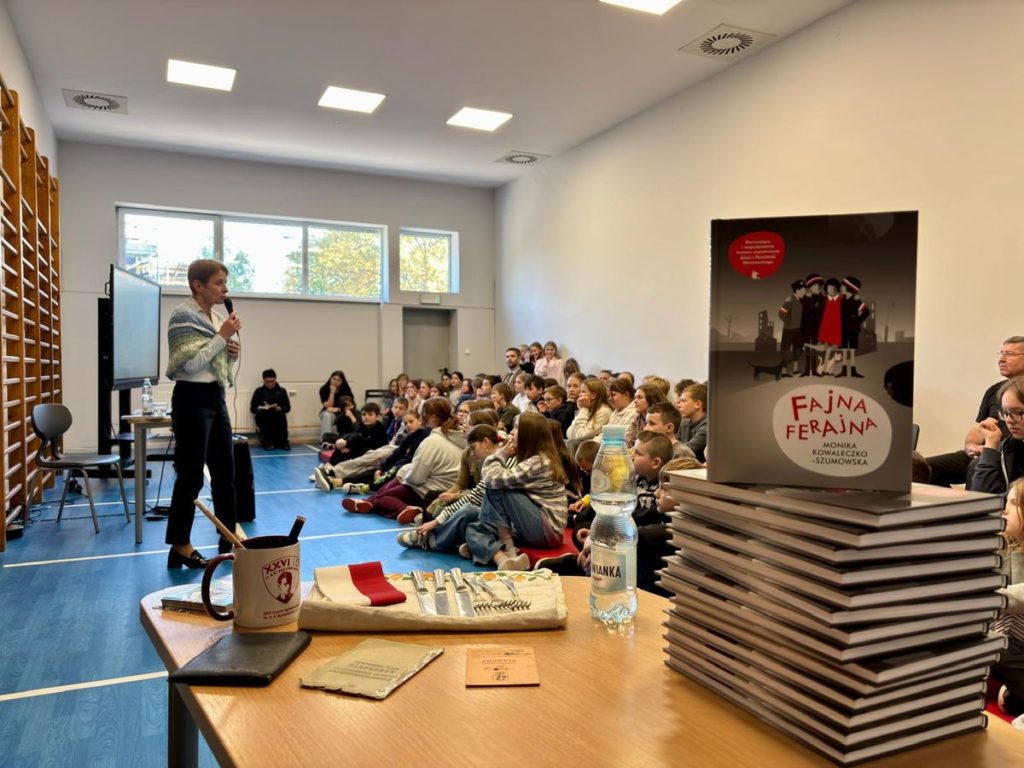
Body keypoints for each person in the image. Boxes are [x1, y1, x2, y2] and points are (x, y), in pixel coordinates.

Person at [164, 259, 240, 569]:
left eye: (225, 283)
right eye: (219, 283)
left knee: (225, 474)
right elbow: (190, 364)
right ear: (198, 285)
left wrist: (231, 353)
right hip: (191, 399)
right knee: (191, 474)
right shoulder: (183, 315)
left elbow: (216, 362)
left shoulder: (217, 317)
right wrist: (221, 337)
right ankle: (180, 545)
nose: (225, 289)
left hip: (215, 396)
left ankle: (228, 539)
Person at [464, 412, 568, 571]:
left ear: (529, 434)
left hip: (547, 531)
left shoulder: (539, 461)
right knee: (474, 529)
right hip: (536, 527)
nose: (511, 432)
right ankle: (502, 558)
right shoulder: (534, 457)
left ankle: (507, 550)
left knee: (498, 489)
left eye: (517, 428)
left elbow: (491, 479)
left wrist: (502, 454)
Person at [343, 397, 465, 520]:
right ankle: (368, 502)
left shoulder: (432, 441)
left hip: (428, 492)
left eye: (423, 413)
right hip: (445, 489)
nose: (421, 417)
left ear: (433, 417)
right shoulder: (461, 440)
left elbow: (417, 478)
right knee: (401, 474)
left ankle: (407, 509)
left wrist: (404, 477)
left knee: (384, 497)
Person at [927, 336, 1024, 486]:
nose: (1001, 359)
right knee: (924, 468)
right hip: (985, 451)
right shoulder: (994, 391)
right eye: (1001, 353)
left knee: (977, 466)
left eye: (1009, 354)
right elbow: (979, 427)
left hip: (1006, 455)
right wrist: (971, 445)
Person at [397, 423, 502, 552]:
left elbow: (474, 496)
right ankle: (432, 531)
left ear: (486, 442)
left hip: (500, 518)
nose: (472, 453)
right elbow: (465, 486)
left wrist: (437, 520)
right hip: (489, 508)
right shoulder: (481, 458)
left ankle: (431, 538)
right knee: (439, 499)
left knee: (467, 510)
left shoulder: (497, 463)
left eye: (473, 448)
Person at [993, 479, 1024, 721]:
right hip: (1013, 643)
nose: (1004, 508)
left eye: (1013, 503)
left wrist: (981, 595)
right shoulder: (1003, 545)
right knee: (995, 644)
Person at [970, 376, 1024, 496]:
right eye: (1005, 413)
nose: (1009, 420)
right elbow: (980, 497)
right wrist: (991, 445)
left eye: (1018, 412)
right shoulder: (1010, 446)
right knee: (975, 464)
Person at [250, 368, 291, 450]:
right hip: (264, 418)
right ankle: (266, 441)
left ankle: (283, 441)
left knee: (281, 418)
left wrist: (280, 408)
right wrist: (261, 408)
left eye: (272, 381)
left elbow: (288, 408)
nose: (270, 384)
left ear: (275, 380)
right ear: (264, 381)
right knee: (264, 419)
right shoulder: (258, 391)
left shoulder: (282, 391)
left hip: (278, 417)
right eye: (267, 381)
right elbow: (252, 409)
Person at [567, 378, 612, 452]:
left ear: (593, 395)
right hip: (584, 445)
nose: (579, 395)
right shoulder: (588, 409)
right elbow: (569, 434)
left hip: (595, 448)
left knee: (572, 443)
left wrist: (584, 409)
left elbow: (580, 435)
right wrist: (581, 410)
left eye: (583, 391)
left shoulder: (604, 411)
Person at [319, 370, 354, 440]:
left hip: (342, 413)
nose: (335, 381)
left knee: (350, 414)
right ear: (330, 379)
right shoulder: (324, 389)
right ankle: (326, 440)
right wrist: (332, 392)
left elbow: (351, 405)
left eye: (338, 380)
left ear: (342, 382)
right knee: (327, 415)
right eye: (334, 379)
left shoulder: (346, 390)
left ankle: (346, 438)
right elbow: (328, 406)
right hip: (327, 412)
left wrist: (338, 409)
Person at [678, 382, 708, 463]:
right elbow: (676, 445)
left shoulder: (708, 426)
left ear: (698, 404)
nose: (679, 405)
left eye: (683, 401)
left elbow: (684, 450)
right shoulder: (684, 423)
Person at [607, 377, 638, 445]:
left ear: (626, 395)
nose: (610, 399)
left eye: (613, 395)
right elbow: (606, 434)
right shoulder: (614, 413)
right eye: (609, 396)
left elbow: (623, 440)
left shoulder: (633, 414)